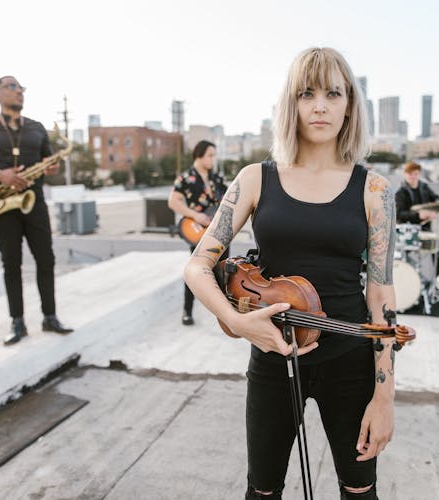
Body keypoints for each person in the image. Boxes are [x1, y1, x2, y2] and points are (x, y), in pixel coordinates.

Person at [184, 47, 397, 498]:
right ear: (291, 104)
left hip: (351, 363)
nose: (320, 105)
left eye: (333, 93)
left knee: (360, 492)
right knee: (262, 492)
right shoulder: (255, 179)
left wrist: (385, 398)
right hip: (273, 358)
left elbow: (380, 293)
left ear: (349, 105)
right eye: (307, 94)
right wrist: (241, 323)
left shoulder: (375, 189)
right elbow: (198, 266)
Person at [0, 75, 73, 346]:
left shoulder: (36, 128)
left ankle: (50, 316)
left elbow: (50, 163)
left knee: (46, 259)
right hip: (3, 204)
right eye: (12, 87)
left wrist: (52, 168)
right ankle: (18, 322)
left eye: (21, 87)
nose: (19, 92)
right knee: (11, 264)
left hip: (34, 201)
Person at [168, 140, 228, 326]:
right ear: (199, 155)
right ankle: (187, 311)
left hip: (219, 232)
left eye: (214, 155)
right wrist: (196, 216)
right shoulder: (186, 178)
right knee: (195, 272)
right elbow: (173, 202)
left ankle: (227, 315)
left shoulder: (216, 178)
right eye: (210, 155)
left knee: (225, 272)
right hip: (199, 233)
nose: (213, 159)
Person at [395, 161, 439, 277]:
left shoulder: (424, 187)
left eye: (415, 174)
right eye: (410, 174)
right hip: (407, 232)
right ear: (405, 174)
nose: (413, 176)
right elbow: (399, 214)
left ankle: (435, 282)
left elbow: (437, 200)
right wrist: (418, 216)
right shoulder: (401, 192)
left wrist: (434, 211)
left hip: (425, 229)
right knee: (408, 262)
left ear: (419, 174)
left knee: (437, 254)